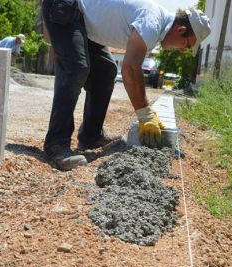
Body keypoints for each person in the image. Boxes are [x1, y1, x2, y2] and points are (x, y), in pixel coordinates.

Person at [41, 0, 211, 171]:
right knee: (76, 67)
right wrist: (145, 114)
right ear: (181, 30)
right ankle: (56, 145)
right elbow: (130, 68)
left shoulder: (155, 25)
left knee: (106, 71)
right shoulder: (152, 21)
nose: (183, 50)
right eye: (187, 45)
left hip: (83, 20)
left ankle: (91, 136)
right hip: (66, 6)